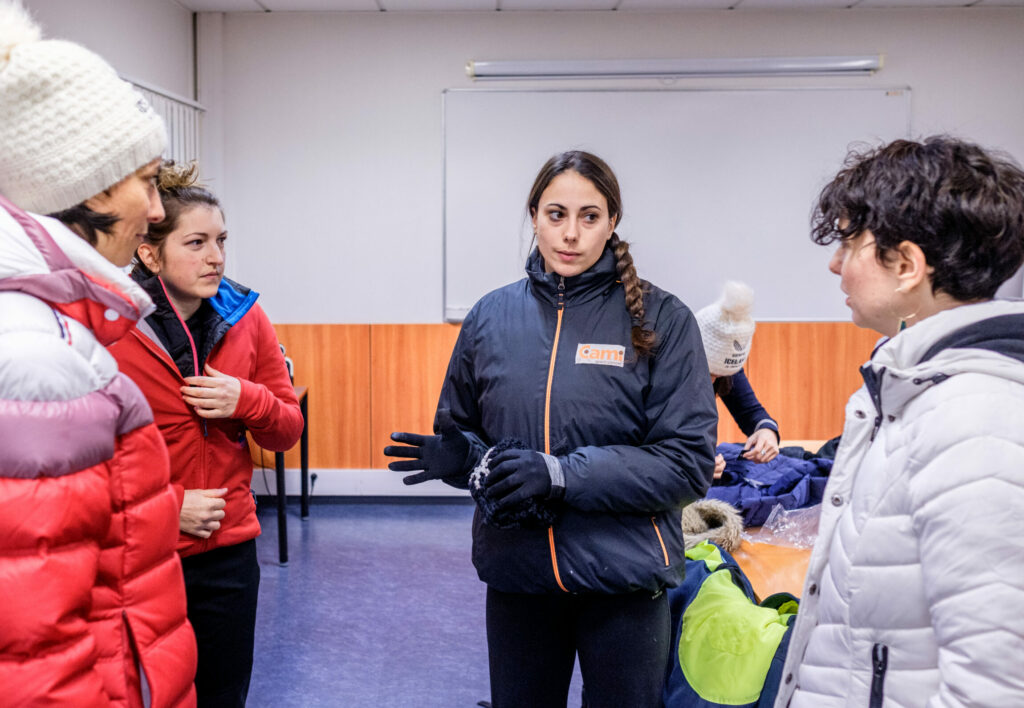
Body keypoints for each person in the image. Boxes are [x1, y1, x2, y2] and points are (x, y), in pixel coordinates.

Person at [384, 150, 718, 708]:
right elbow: (469, 438)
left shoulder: (662, 319)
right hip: (518, 576)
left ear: (612, 222)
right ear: (534, 216)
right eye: (556, 214)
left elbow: (685, 463)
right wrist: (460, 459)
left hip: (625, 581)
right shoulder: (489, 317)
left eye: (589, 217)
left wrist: (560, 475)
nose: (571, 234)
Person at [776, 136, 1024, 707]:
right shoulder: (914, 389)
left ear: (907, 265)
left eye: (849, 244)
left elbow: (994, 685)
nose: (835, 264)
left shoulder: (975, 420)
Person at [0, 3, 197, 705]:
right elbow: (36, 645)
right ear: (79, 191)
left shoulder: (56, 329)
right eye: (145, 181)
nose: (155, 210)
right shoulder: (39, 358)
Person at [108, 161, 304, 707]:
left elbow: (288, 430)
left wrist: (248, 399)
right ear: (150, 253)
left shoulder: (247, 317)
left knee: (222, 694)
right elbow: (90, 469)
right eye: (196, 242)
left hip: (229, 552)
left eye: (221, 240)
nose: (216, 256)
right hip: (141, 552)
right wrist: (171, 506)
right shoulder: (111, 327)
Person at [695, 280, 780, 478]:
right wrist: (690, 462)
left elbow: (751, 412)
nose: (714, 381)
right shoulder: (660, 373)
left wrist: (767, 431)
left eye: (721, 375)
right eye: (710, 374)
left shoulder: (726, 369)